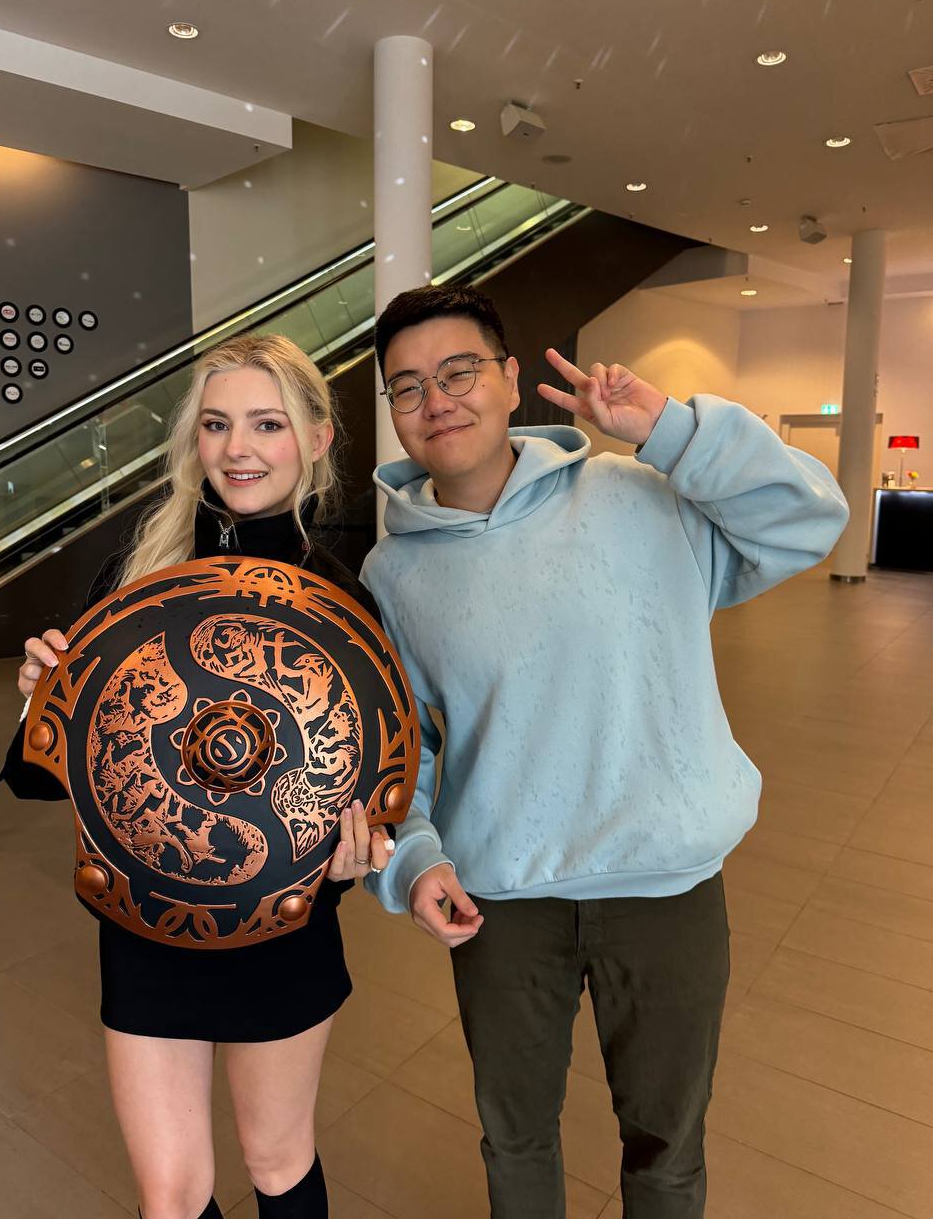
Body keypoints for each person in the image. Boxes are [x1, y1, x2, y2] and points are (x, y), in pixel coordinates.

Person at [360, 285, 849, 1219]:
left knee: (666, 1149)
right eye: (408, 386)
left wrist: (672, 431)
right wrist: (413, 859)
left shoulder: (639, 495)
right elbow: (401, 750)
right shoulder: (395, 572)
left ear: (511, 380)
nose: (436, 401)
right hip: (502, 903)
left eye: (459, 372)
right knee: (515, 1139)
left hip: (664, 888)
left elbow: (808, 519)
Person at [0, 334, 394, 1219]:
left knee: (277, 1161)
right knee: (170, 1197)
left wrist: (357, 854)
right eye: (216, 425)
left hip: (284, 926)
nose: (237, 448)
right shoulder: (138, 575)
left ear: (317, 438)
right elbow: (43, 781)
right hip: (147, 920)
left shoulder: (343, 602)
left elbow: (369, 789)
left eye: (266, 424)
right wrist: (42, 702)